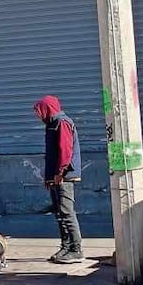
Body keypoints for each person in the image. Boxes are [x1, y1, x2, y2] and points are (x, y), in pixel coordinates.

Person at [33, 95, 84, 264]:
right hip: (55, 176)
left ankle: (76, 249)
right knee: (59, 213)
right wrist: (49, 178)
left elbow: (65, 151)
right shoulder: (51, 124)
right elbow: (51, 154)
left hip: (64, 177)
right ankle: (66, 247)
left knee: (67, 212)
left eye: (39, 111)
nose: (38, 116)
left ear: (47, 109)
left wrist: (60, 173)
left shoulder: (62, 123)